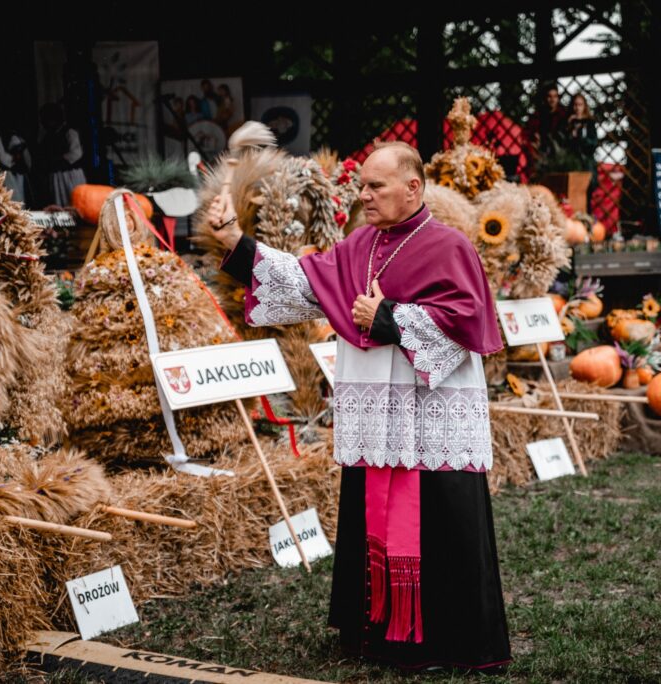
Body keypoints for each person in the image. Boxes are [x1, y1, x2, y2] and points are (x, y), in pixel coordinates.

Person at [207, 140, 511, 671]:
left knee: (439, 522)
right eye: (362, 186)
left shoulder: (450, 246)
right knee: (373, 512)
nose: (364, 196)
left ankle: (447, 642)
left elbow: (466, 319)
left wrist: (389, 316)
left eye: (376, 186)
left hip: (427, 416)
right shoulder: (358, 244)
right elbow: (304, 283)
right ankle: (376, 635)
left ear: (412, 188)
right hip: (377, 418)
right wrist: (235, 239)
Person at [38, 103, 87, 208]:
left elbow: (76, 153)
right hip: (56, 176)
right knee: (59, 204)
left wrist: (59, 159)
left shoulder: (69, 132)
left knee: (74, 202)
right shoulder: (47, 137)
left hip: (70, 174)